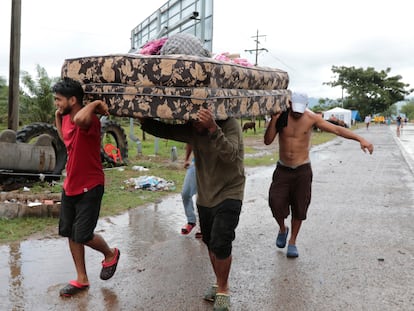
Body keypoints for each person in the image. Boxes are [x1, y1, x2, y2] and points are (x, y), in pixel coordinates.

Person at [138, 108, 245, 311]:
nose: (194, 125)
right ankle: (218, 281)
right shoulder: (193, 128)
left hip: (231, 191)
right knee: (210, 242)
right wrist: (143, 117)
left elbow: (231, 155)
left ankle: (223, 289)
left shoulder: (230, 125)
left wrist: (213, 129)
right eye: (191, 120)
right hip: (206, 193)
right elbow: (165, 131)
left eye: (198, 121)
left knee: (221, 241)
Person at [264, 92, 374, 258]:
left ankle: (292, 241)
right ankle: (282, 228)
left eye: (300, 110)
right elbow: (267, 140)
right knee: (275, 202)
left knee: (300, 207)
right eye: (294, 109)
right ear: (289, 103)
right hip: (283, 169)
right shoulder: (281, 117)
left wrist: (360, 139)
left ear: (306, 106)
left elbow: (337, 129)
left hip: (302, 170)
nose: (297, 113)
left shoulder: (311, 118)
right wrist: (273, 120)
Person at [53, 78, 120, 297]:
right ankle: (81, 278)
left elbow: (81, 118)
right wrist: (57, 115)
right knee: (70, 233)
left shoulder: (90, 119)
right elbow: (67, 141)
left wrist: (95, 104)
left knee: (82, 234)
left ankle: (110, 254)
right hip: (70, 184)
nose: (56, 104)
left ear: (73, 100)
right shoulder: (65, 117)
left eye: (59, 100)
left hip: (90, 186)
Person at [181, 143, 202, 238]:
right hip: (196, 163)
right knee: (185, 193)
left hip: (213, 165)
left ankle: (203, 226)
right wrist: (186, 159)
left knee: (203, 196)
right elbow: (190, 141)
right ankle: (191, 221)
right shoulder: (194, 128)